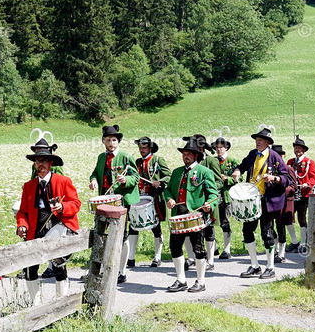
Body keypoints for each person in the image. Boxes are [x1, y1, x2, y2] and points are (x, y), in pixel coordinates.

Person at [17, 138, 81, 304]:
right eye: (38, 161)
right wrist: (22, 225)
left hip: (57, 227)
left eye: (44, 160)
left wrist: (62, 207)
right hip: (35, 230)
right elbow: (22, 212)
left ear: (51, 163)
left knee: (59, 265)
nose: (41, 164)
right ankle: (35, 306)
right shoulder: (28, 186)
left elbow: (76, 204)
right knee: (30, 268)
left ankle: (61, 302)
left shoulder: (63, 181)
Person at [232, 127, 292, 278]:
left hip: (267, 201)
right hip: (251, 200)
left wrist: (274, 178)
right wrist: (238, 170)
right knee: (247, 231)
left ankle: (270, 267)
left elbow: (286, 179)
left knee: (267, 233)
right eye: (256, 140)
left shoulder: (275, 156)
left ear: (267, 142)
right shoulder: (253, 154)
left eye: (260, 140)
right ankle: (255, 265)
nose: (257, 142)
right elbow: (243, 165)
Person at [164, 138, 218, 293]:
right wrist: (169, 199)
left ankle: (201, 281)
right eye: (184, 153)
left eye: (189, 154)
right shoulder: (176, 172)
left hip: (195, 215)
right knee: (174, 246)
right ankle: (181, 279)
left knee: (198, 248)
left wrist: (209, 204)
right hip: (178, 215)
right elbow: (167, 189)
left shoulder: (204, 172)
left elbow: (214, 194)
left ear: (196, 156)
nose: (185, 156)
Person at [89, 125, 139, 283]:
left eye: (114, 140)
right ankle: (102, 268)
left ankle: (121, 271)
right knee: (102, 233)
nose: (111, 143)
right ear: (103, 141)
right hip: (104, 201)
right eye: (108, 140)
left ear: (118, 142)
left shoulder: (125, 156)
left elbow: (136, 177)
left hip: (121, 200)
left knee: (122, 235)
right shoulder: (101, 157)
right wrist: (93, 180)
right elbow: (95, 172)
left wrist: (126, 180)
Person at [133, 136, 171, 268]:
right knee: (133, 226)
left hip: (154, 198)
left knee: (156, 227)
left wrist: (159, 182)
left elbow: (169, 176)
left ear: (150, 148)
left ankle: (157, 256)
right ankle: (131, 258)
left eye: (144, 148)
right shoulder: (137, 162)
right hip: (139, 198)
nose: (141, 150)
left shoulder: (157, 160)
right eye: (140, 148)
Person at [287, 137, 315, 253]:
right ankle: (294, 241)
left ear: (304, 150)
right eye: (295, 148)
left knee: (301, 218)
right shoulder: (290, 162)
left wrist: (307, 184)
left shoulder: (309, 162)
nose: (297, 150)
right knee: (288, 218)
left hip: (304, 195)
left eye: (299, 148)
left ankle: (303, 243)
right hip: (292, 194)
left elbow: (314, 178)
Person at [212, 136, 240, 260]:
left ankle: (227, 249)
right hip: (213, 196)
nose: (219, 150)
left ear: (226, 148)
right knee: (210, 221)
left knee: (225, 221)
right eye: (217, 147)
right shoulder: (212, 161)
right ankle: (213, 247)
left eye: (221, 147)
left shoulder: (232, 161)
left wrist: (227, 179)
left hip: (226, 195)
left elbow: (239, 179)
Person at [273, 144, 298, 264]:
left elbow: (294, 186)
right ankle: (275, 250)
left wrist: (282, 191)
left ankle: (281, 253)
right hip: (272, 202)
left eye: (279, 155)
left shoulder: (288, 169)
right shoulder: (270, 169)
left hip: (285, 202)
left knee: (281, 226)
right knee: (271, 228)